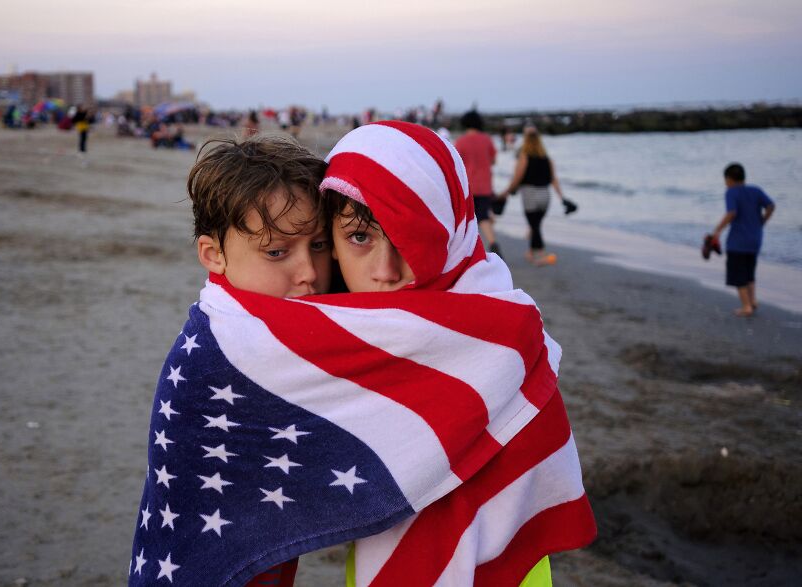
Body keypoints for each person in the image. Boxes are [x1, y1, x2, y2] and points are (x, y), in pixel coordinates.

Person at [321, 121, 595, 585]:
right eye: (359, 238)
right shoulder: (321, 338)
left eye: (411, 237)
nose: (385, 271)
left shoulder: (508, 335)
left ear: (449, 230)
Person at [128, 136, 330, 586]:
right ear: (213, 255)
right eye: (277, 252)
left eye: (320, 245)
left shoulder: (298, 323)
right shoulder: (219, 351)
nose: (309, 272)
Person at [711, 163, 776, 317]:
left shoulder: (731, 193)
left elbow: (731, 213)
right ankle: (752, 301)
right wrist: (762, 222)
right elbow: (771, 206)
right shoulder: (755, 190)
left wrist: (717, 231)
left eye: (725, 180)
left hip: (737, 242)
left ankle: (746, 306)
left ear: (729, 179)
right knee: (749, 273)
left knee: (738, 274)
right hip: (755, 239)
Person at [501, 126, 568, 266]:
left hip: (530, 194)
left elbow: (517, 178)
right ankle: (532, 252)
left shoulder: (524, 157)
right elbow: (553, 179)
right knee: (535, 225)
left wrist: (505, 193)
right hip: (545, 194)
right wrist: (562, 198)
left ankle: (541, 255)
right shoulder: (547, 159)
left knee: (534, 226)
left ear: (526, 141)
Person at [454, 109, 501, 257]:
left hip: (468, 186)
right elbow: (493, 160)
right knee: (483, 216)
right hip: (485, 186)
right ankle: (492, 243)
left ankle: (471, 249)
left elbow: (455, 164)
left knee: (468, 219)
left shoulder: (461, 142)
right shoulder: (487, 139)